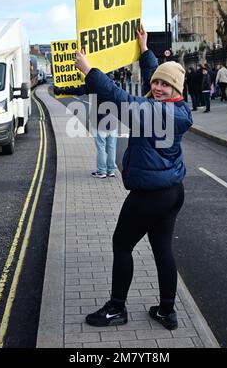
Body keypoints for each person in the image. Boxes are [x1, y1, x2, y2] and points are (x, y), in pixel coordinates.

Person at [74, 26, 193, 330]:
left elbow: (120, 97)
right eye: (156, 84)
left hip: (150, 195)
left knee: (121, 245)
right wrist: (145, 50)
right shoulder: (178, 109)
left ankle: (116, 309)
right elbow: (160, 77)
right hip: (171, 191)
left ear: (177, 90)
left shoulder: (157, 113)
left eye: (165, 86)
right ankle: (167, 311)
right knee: (163, 249)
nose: (158, 88)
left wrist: (88, 69)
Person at [54, 80, 117, 178]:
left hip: (99, 120)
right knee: (112, 146)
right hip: (112, 120)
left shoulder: (95, 84)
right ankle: (111, 170)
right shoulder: (114, 84)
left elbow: (78, 90)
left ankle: (102, 171)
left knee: (101, 147)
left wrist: (60, 91)